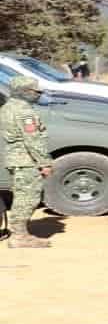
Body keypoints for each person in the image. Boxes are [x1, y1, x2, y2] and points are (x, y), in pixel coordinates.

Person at [2, 76, 53, 250]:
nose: (39, 94)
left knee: (21, 196)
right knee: (27, 198)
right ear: (24, 92)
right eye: (35, 91)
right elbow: (32, 140)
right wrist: (44, 163)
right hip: (27, 160)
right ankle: (19, 236)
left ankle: (19, 233)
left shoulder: (7, 108)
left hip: (15, 159)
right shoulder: (25, 112)